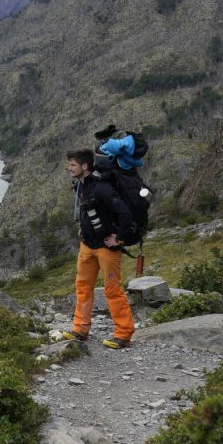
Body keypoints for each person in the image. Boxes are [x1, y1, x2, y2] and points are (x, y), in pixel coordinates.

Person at [61, 148, 135, 349]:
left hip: (106, 248)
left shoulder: (102, 189)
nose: (69, 168)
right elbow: (89, 211)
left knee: (113, 290)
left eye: (73, 165)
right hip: (87, 245)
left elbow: (125, 214)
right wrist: (82, 229)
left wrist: (118, 238)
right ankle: (80, 330)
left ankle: (123, 334)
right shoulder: (82, 186)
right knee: (83, 288)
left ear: (84, 166)